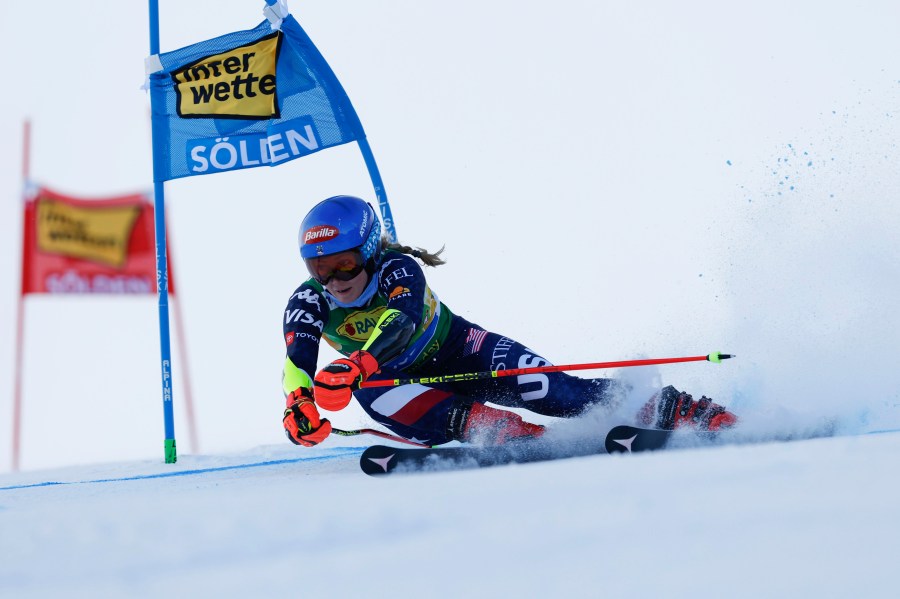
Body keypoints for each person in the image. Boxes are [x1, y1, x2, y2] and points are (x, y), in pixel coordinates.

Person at [282, 195, 737, 448]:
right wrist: (298, 405)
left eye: (343, 263)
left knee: (556, 391)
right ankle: (502, 431)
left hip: (464, 349)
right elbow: (296, 359)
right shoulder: (308, 300)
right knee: (370, 389)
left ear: (368, 251)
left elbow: (400, 321)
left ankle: (677, 409)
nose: (333, 279)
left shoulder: (397, 268)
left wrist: (357, 362)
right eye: (318, 268)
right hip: (407, 389)